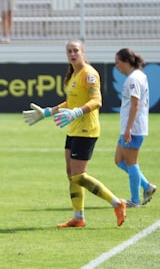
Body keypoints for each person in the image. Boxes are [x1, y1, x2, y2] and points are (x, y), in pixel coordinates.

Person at [22, 40, 127, 228]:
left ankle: (116, 203)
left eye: (76, 50)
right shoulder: (73, 75)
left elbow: (97, 100)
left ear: (83, 52)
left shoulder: (89, 74)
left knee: (79, 175)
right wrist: (47, 112)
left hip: (86, 129)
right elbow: (70, 102)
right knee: (71, 174)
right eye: (69, 51)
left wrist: (78, 112)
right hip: (74, 128)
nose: (72, 54)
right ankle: (78, 218)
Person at [113, 48, 155, 208]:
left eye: (118, 62)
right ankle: (146, 186)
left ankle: (135, 200)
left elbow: (135, 104)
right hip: (129, 127)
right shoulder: (138, 76)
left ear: (126, 62)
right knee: (119, 160)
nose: (117, 66)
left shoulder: (134, 79)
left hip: (134, 128)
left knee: (131, 163)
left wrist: (129, 128)